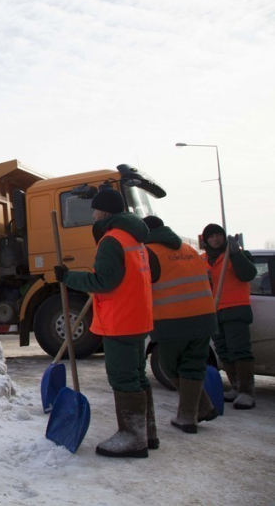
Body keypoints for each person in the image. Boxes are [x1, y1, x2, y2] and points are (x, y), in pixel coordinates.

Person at [55, 188, 154, 458]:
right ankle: (147, 433)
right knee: (136, 375)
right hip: (138, 317)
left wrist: (68, 277)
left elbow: (103, 282)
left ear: (105, 212)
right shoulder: (135, 237)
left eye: (96, 209)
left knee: (124, 378)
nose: (93, 214)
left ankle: (133, 438)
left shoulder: (112, 240)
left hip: (121, 320)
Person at [143, 216, 218, 433]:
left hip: (172, 320)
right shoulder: (189, 249)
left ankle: (199, 409)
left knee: (168, 366)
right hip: (204, 317)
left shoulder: (148, 252)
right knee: (193, 365)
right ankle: (190, 416)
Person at [200, 223, 257, 409]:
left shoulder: (235, 255)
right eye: (211, 236)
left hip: (236, 310)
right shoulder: (203, 260)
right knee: (223, 351)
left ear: (224, 237)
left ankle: (246, 392)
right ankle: (235, 387)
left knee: (239, 350)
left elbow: (248, 274)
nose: (215, 239)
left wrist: (236, 254)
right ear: (206, 240)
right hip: (214, 311)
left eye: (218, 235)